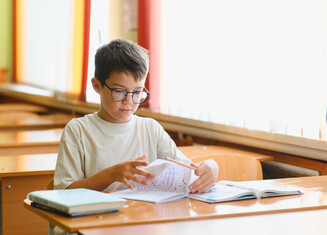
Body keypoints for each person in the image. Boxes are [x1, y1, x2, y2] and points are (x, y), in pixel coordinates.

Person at [54, 39, 218, 194]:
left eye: (137, 92)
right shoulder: (78, 131)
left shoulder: (150, 128)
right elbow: (64, 192)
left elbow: (186, 170)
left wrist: (210, 167)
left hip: (141, 218)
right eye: (119, 91)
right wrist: (110, 175)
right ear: (97, 86)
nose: (129, 101)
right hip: (96, 219)